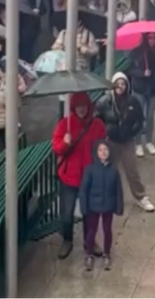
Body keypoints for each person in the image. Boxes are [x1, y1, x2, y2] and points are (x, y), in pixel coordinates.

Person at [50, 92, 106, 260]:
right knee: (67, 214)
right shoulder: (64, 125)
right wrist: (65, 142)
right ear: (74, 107)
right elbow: (56, 148)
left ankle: (90, 242)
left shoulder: (97, 125)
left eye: (84, 105)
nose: (81, 109)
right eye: (78, 106)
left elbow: (103, 148)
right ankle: (67, 240)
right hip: (69, 177)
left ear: (88, 106)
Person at [95, 73, 154, 212]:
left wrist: (132, 132)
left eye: (123, 84)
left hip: (127, 140)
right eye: (118, 83)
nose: (120, 86)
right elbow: (97, 119)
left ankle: (140, 196)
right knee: (108, 170)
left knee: (131, 170)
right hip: (111, 140)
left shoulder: (133, 101)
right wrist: (105, 133)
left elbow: (140, 120)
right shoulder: (104, 102)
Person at [78, 140, 122, 271]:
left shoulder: (114, 170)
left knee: (107, 230)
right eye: (100, 150)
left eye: (106, 150)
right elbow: (84, 190)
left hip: (108, 205)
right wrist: (84, 207)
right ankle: (89, 255)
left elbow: (118, 190)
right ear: (96, 153)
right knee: (91, 231)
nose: (103, 153)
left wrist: (119, 206)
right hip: (93, 206)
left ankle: (107, 254)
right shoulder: (90, 169)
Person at [129, 33, 155, 156]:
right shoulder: (137, 52)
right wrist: (141, 73)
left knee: (150, 116)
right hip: (139, 89)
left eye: (154, 38)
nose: (152, 40)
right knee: (139, 116)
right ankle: (138, 143)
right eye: (149, 38)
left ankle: (148, 141)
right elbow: (130, 69)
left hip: (153, 89)